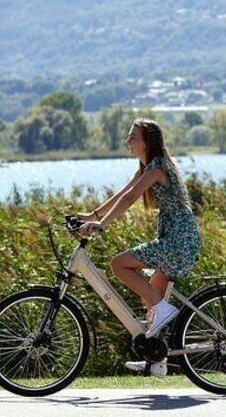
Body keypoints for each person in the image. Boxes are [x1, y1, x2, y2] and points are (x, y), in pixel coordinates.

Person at [78, 118, 201, 378]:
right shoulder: (148, 167)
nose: (128, 141)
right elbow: (123, 192)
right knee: (151, 303)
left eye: (133, 137)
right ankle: (156, 361)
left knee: (118, 264)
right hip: (177, 238)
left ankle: (165, 310)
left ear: (147, 142)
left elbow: (131, 198)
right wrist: (92, 216)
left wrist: (103, 224)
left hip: (177, 241)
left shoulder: (158, 167)